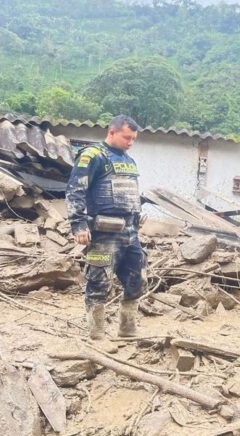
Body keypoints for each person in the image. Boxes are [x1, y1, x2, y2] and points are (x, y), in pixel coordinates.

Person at [66, 115, 146, 351]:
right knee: (99, 281)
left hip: (130, 233)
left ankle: (127, 328)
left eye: (133, 139)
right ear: (112, 132)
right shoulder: (93, 156)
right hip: (104, 233)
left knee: (137, 278)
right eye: (126, 137)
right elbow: (75, 191)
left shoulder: (129, 161)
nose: (130, 142)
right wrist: (78, 225)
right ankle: (96, 334)